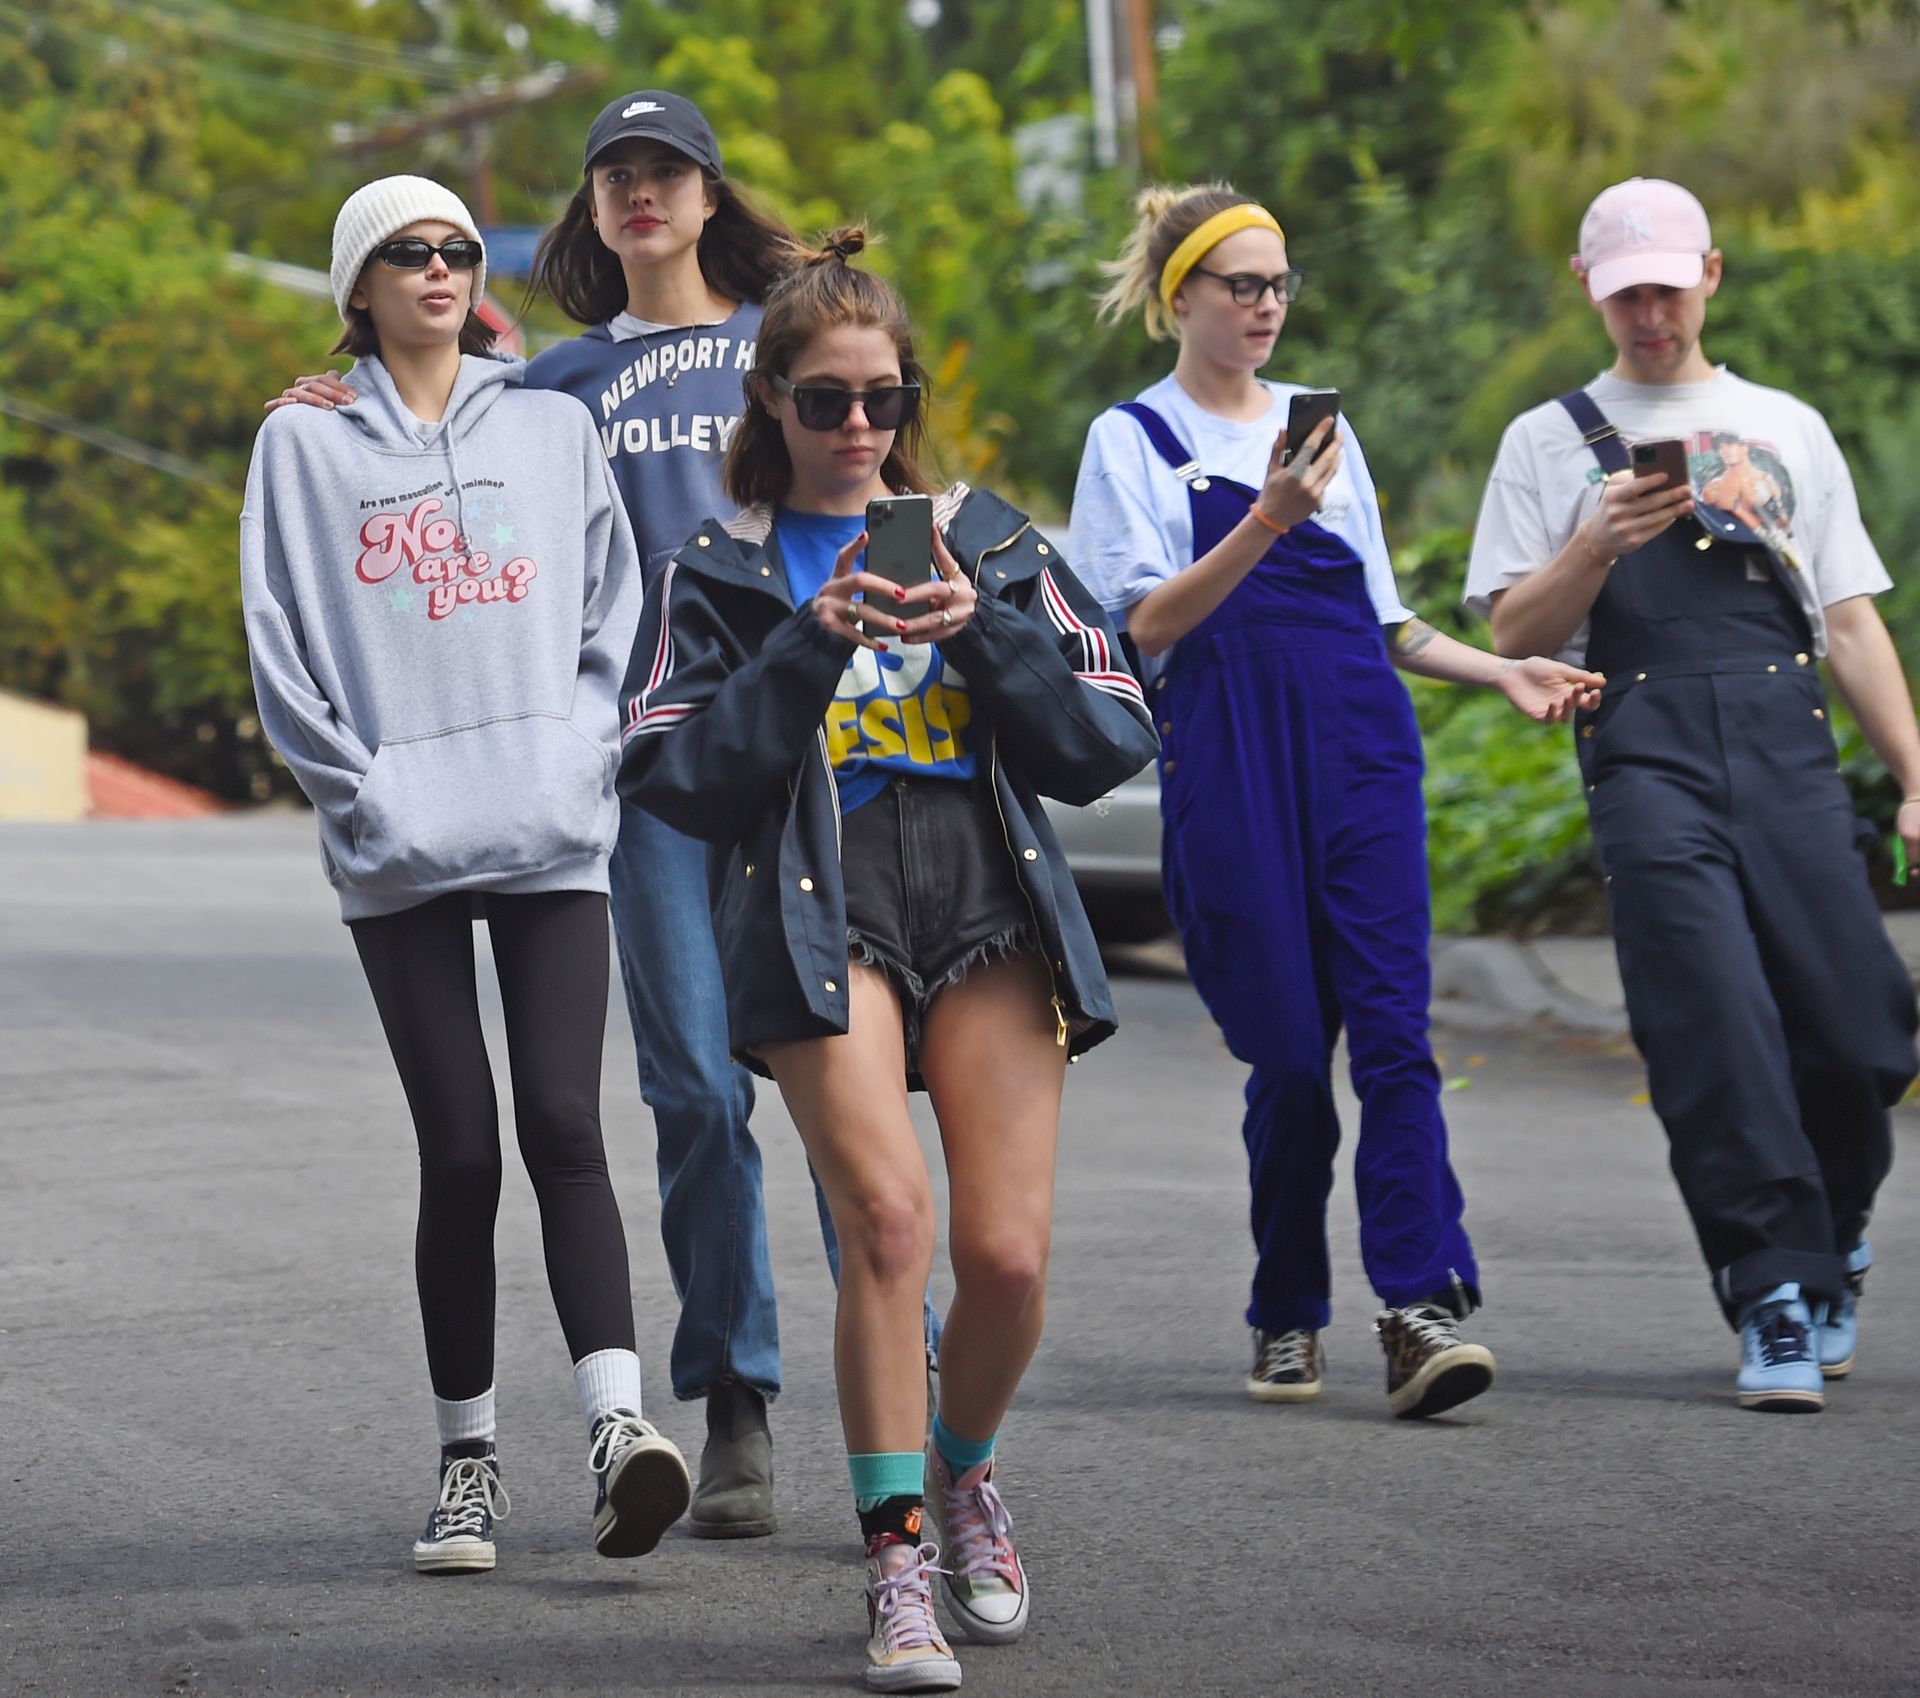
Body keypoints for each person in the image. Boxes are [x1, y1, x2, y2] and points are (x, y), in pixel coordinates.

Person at [268, 92, 932, 1537]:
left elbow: (881, 454)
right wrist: (328, 387)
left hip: (822, 749)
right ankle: (735, 1396)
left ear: (707, 196)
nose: (642, 193)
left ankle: (912, 1378)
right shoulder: (556, 386)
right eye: (615, 174)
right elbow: (433, 424)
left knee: (847, 1088)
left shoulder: (783, 347)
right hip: (657, 768)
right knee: (693, 1089)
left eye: (668, 172)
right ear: (588, 208)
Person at [620, 229, 1157, 1691]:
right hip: (822, 903)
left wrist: (986, 641)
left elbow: (1112, 737)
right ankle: (899, 1555)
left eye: (883, 399)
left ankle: (965, 1468)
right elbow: (669, 775)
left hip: (988, 903)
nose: (859, 429)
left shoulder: (988, 538)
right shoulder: (720, 572)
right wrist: (809, 644)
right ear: (771, 407)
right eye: (824, 401)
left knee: (1006, 1256)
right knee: (884, 1223)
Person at [1070, 183, 1604, 1419]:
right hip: (1233, 756)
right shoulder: (1130, 442)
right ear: (1179, 298)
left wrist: (1502, 668)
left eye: (1279, 284)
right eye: (1241, 284)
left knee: (1397, 1039)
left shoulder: (1324, 440)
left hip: (1362, 747)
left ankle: (1418, 1309)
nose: (1266, 306)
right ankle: (1284, 1306)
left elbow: (1390, 622)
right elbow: (1145, 625)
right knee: (1291, 1060)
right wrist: (1264, 517)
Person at [240, 176, 690, 1573]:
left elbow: (619, 598)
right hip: (400, 845)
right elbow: (279, 632)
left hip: (551, 824)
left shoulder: (551, 427)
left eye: (451, 248)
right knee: (458, 1147)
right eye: (403, 253)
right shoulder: (300, 447)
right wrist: (360, 792)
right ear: (356, 291)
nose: (438, 267)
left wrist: (580, 750)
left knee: (566, 1116)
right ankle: (468, 1461)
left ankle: (620, 1431)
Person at [1465, 176, 1920, 1412]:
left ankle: (1829, 1220)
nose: (1649, 314)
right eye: (1625, 294)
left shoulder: (1788, 424)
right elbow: (1514, 630)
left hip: (1787, 738)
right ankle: (1773, 1289)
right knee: (1710, 1021)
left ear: (1711, 273)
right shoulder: (1547, 440)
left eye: (1667, 286)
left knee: (1862, 1023)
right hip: (1645, 743)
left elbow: (1850, 621)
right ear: (1587, 290)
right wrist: (1596, 545)